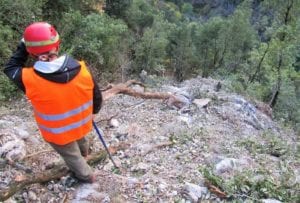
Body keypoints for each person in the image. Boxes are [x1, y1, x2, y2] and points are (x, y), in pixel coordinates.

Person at [3, 22, 102, 183]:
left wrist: (23, 45)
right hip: (82, 122)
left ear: (31, 52)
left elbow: (10, 68)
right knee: (80, 138)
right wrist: (94, 112)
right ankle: (85, 153)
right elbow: (97, 96)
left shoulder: (29, 79)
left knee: (71, 155)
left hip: (58, 133)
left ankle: (86, 176)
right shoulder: (82, 68)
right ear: (57, 45)